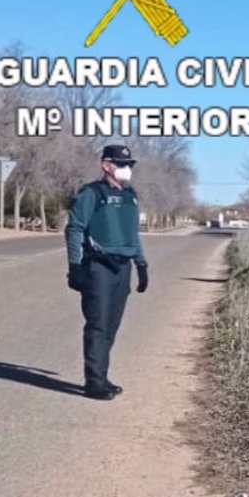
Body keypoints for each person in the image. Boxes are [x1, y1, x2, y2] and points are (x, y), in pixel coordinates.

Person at [65, 144, 149, 400]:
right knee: (98, 325)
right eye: (121, 164)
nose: (127, 169)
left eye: (129, 165)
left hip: (122, 268)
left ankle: (102, 375)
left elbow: (133, 234)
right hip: (98, 267)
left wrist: (141, 264)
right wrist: (75, 266)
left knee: (111, 325)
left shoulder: (130, 196)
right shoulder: (91, 193)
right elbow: (75, 229)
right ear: (106, 165)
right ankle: (94, 382)